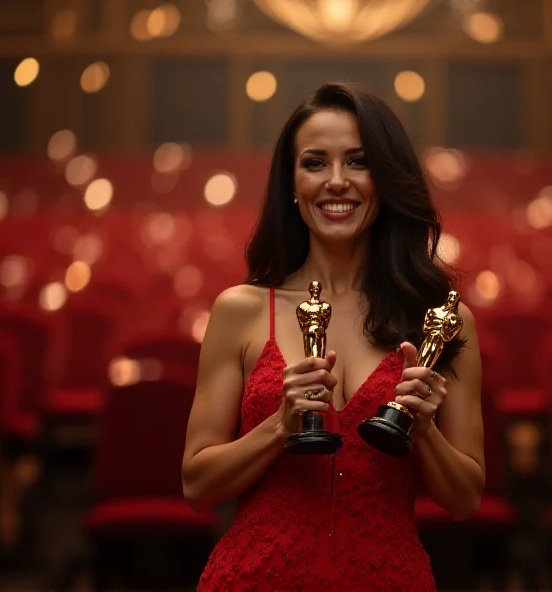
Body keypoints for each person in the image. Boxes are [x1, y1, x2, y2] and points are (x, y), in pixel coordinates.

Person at [181, 81, 485, 591]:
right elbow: (197, 485)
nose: (336, 182)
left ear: (386, 180)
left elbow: (465, 500)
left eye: (359, 162)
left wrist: (425, 430)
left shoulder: (442, 319)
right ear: (291, 183)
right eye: (315, 163)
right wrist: (279, 425)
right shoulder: (240, 310)